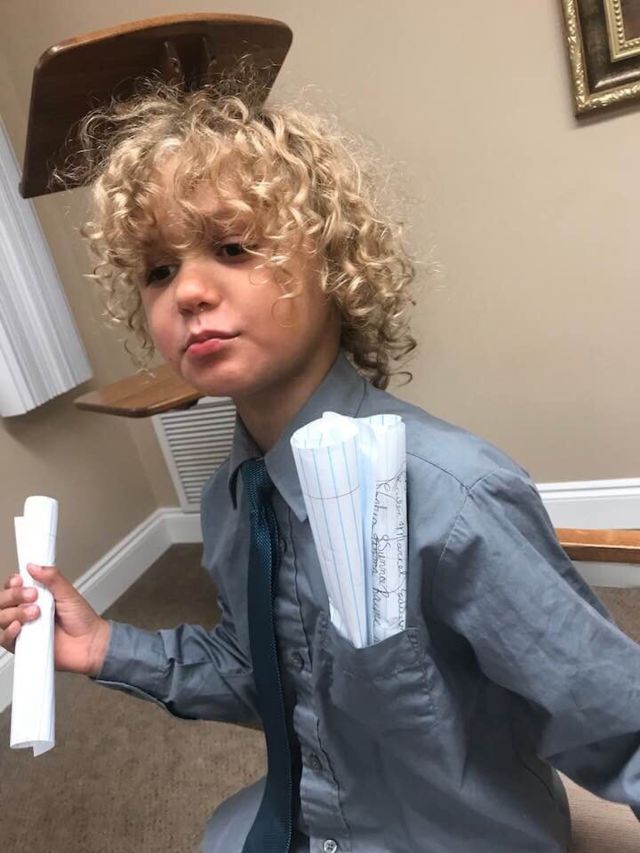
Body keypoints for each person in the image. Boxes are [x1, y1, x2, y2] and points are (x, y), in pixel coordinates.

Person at [1, 75, 639, 853]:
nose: (189, 291)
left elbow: (619, 724)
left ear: (334, 264)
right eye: (158, 270)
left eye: (232, 247)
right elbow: (265, 672)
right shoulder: (232, 498)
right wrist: (103, 644)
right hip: (311, 813)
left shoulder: (454, 498)